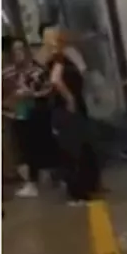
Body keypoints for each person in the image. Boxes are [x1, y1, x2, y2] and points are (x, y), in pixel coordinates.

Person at [45, 26, 101, 205]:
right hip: (65, 109)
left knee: (78, 147)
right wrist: (69, 98)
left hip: (70, 107)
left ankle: (83, 189)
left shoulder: (63, 56)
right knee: (73, 150)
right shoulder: (58, 58)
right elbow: (55, 79)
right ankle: (77, 193)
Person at [7, 37, 56, 198]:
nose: (19, 53)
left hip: (36, 113)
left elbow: (48, 89)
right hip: (17, 114)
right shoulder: (7, 74)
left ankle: (42, 179)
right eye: (15, 50)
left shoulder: (37, 71)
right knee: (23, 148)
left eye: (21, 49)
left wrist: (33, 94)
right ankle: (32, 181)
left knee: (39, 146)